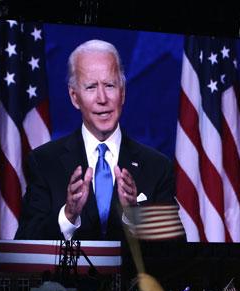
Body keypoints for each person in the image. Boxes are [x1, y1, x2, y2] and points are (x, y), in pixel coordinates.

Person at [15, 40, 175, 241]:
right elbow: (25, 245)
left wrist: (135, 216)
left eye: (109, 85)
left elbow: (174, 251)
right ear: (74, 97)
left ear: (123, 92)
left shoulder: (158, 168)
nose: (102, 98)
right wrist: (69, 215)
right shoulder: (44, 163)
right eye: (91, 87)